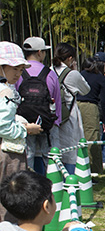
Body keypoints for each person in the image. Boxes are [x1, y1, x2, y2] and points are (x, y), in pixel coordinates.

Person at [0, 42, 42, 223]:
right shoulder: (6, 92)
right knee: (10, 198)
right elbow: (3, 126)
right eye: (15, 69)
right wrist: (26, 129)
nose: (18, 74)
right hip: (7, 153)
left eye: (20, 69)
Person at [16, 37, 62, 175]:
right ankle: (53, 190)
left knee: (27, 157)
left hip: (25, 122)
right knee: (51, 158)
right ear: (40, 52)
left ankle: (26, 189)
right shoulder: (50, 74)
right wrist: (56, 121)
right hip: (47, 122)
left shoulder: (18, 73)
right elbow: (57, 101)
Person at [52, 43, 90, 174]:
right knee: (70, 150)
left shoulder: (49, 70)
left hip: (52, 115)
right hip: (69, 114)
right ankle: (70, 179)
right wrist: (75, 70)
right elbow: (86, 90)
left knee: (55, 148)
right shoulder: (72, 74)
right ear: (69, 58)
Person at [76, 57, 105, 174]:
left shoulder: (78, 75)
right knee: (91, 138)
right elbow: (103, 100)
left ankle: (78, 167)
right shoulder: (101, 78)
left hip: (76, 106)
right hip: (90, 107)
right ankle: (90, 169)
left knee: (78, 137)